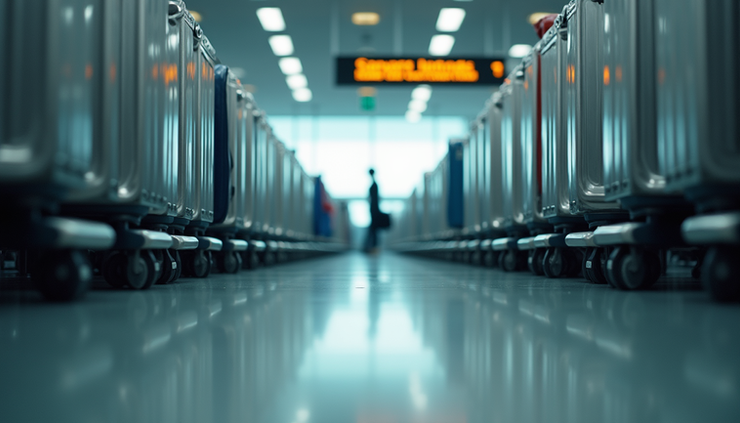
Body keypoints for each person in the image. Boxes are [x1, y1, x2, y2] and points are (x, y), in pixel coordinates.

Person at [366, 169, 380, 253]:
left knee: (374, 229)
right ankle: (373, 247)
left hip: (374, 209)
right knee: (373, 229)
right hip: (374, 208)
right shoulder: (374, 184)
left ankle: (374, 248)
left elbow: (374, 199)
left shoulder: (374, 184)